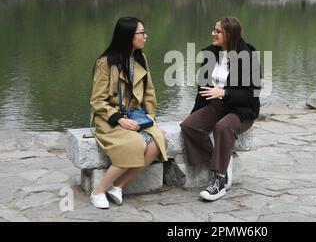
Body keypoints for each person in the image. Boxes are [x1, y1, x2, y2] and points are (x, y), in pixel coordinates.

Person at [89, 17, 168, 209]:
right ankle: (98, 191)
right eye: (141, 33)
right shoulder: (105, 63)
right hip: (109, 117)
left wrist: (150, 117)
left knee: (157, 142)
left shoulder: (140, 58)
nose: (145, 36)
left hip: (136, 115)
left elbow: (149, 93)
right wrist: (119, 119)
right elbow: (97, 101)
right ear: (128, 37)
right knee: (135, 144)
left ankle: (118, 186)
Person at [180, 17, 260, 201]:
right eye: (213, 29)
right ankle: (223, 161)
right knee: (189, 126)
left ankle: (220, 180)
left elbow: (251, 96)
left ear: (229, 34)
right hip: (216, 106)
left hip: (241, 110)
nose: (213, 34)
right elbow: (203, 91)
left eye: (217, 31)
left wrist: (224, 93)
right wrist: (195, 114)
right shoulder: (209, 54)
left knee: (222, 127)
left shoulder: (248, 57)